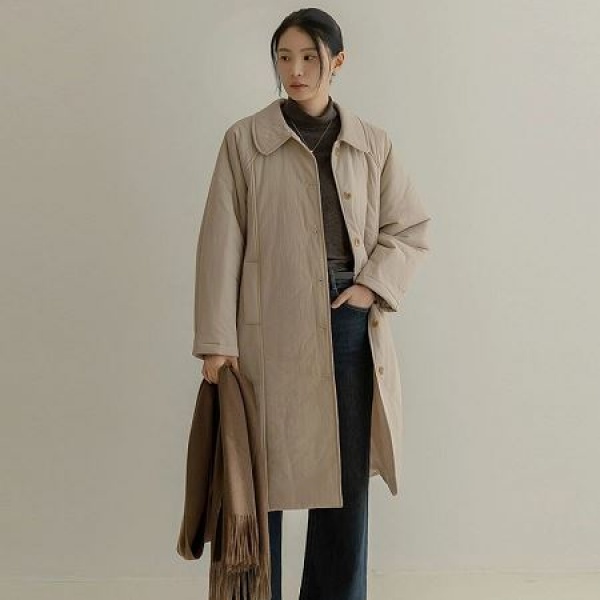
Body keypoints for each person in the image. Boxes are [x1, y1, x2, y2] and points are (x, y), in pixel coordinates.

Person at [192, 8, 431, 600]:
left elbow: (408, 228)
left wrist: (370, 288)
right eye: (284, 57)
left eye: (308, 58)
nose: (295, 71)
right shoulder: (245, 140)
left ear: (337, 62)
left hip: (347, 322)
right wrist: (217, 343)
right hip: (266, 328)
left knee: (345, 483)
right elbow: (221, 242)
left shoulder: (372, 142)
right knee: (258, 481)